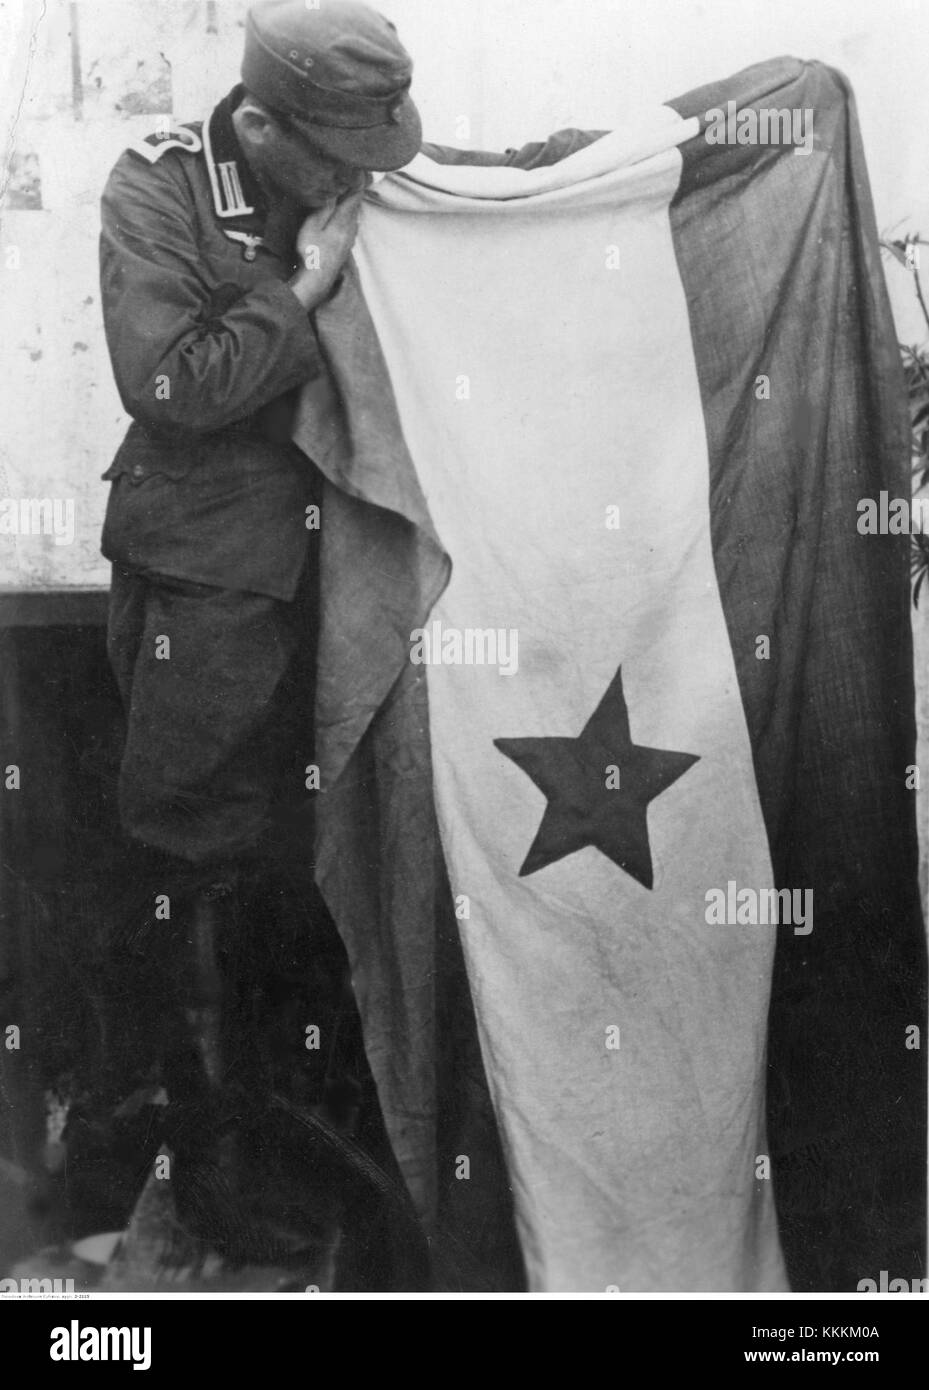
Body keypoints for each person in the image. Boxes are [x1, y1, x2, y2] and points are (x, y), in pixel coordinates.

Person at [97, 0, 422, 1276]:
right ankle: (206, 1180)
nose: (360, 173)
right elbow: (168, 381)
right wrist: (299, 289)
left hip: (342, 579)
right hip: (208, 588)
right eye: (335, 149)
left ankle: (308, 1146)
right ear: (253, 123)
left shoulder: (355, 166)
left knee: (313, 872)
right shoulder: (158, 190)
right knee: (195, 872)